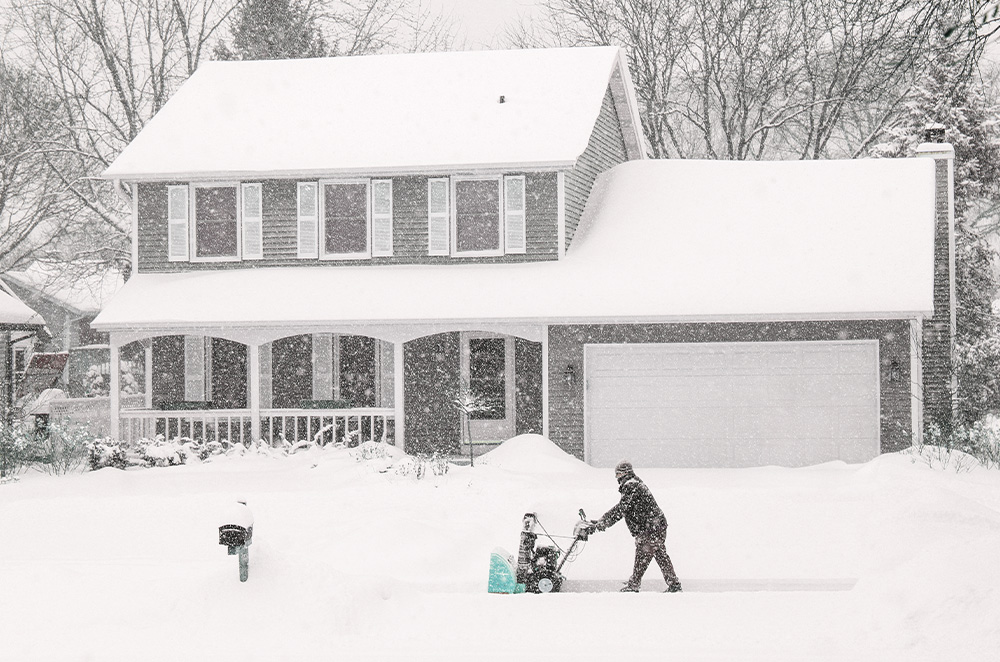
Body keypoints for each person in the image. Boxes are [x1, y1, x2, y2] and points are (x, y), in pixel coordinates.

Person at [594, 460, 682, 593]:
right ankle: (674, 584)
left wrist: (604, 522)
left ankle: (634, 584)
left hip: (652, 526)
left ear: (624, 474)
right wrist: (602, 520)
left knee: (643, 553)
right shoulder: (634, 484)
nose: (616, 478)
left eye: (617, 475)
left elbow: (621, 509)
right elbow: (623, 508)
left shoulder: (631, 486)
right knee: (659, 554)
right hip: (655, 525)